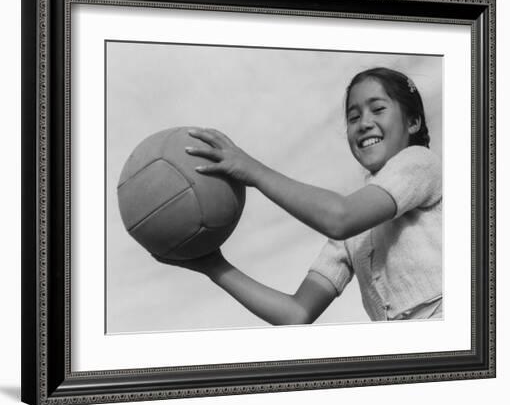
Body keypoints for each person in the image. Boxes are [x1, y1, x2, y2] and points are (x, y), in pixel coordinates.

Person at [155, 67, 442, 324]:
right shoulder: (354, 235)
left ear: (413, 122)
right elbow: (296, 313)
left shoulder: (419, 163)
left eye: (377, 109)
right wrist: (213, 266)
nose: (363, 122)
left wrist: (251, 169)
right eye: (353, 117)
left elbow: (340, 217)